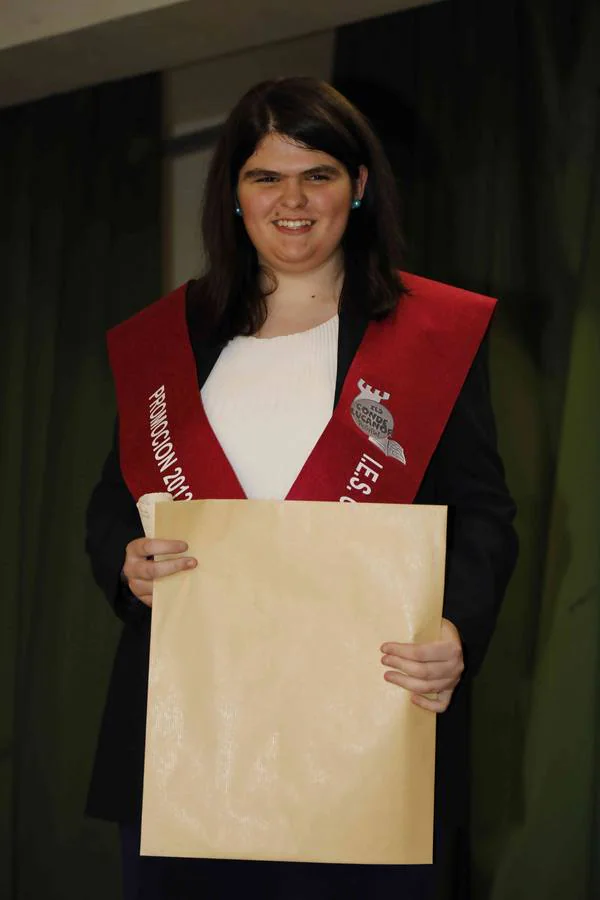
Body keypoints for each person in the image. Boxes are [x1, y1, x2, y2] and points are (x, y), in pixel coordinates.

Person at [86, 77, 518, 899]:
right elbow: (111, 504)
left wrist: (456, 626)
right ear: (235, 195)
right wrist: (124, 562)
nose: (292, 199)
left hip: (367, 732)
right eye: (265, 176)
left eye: (317, 173)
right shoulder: (168, 342)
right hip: (191, 733)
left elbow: (485, 517)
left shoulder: (428, 332)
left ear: (357, 187)